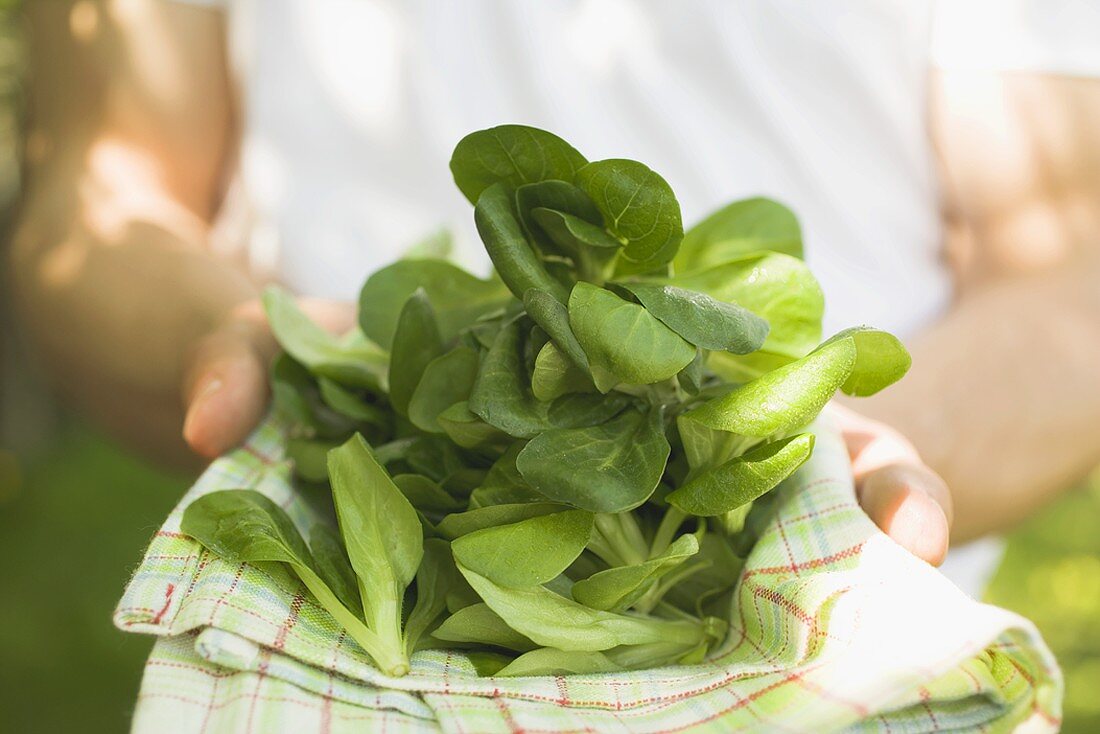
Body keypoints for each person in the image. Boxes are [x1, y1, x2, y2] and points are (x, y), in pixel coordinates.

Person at [10, 0, 1100, 595]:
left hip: (824, 632)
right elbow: (100, 191)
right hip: (350, 572)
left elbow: (1062, 259)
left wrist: (838, 453)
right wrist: (241, 342)